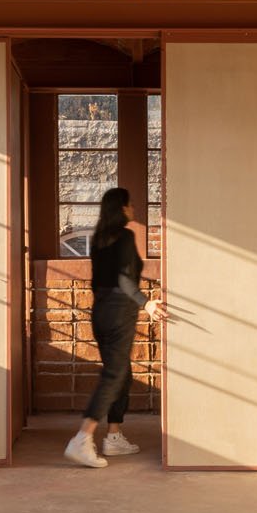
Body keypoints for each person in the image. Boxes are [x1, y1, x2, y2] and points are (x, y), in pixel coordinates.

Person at [65, 186, 166, 468]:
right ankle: (82, 438)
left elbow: (99, 283)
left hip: (100, 311)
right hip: (119, 310)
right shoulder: (125, 237)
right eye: (130, 204)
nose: (133, 208)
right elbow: (125, 280)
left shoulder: (98, 239)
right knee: (113, 375)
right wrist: (145, 303)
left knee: (121, 372)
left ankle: (113, 435)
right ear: (122, 208)